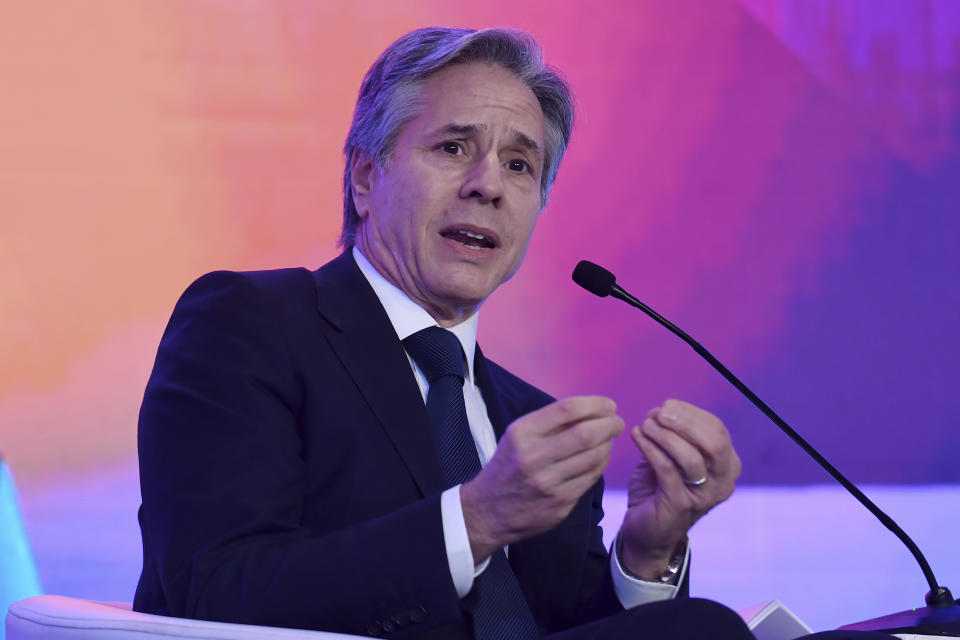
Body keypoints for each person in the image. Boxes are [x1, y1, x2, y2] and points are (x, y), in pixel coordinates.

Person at [133, 27, 897, 640]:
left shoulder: (537, 428)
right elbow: (212, 592)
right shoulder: (249, 326)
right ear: (365, 178)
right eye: (453, 147)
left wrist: (648, 552)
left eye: (521, 165)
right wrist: (476, 518)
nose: (488, 184)